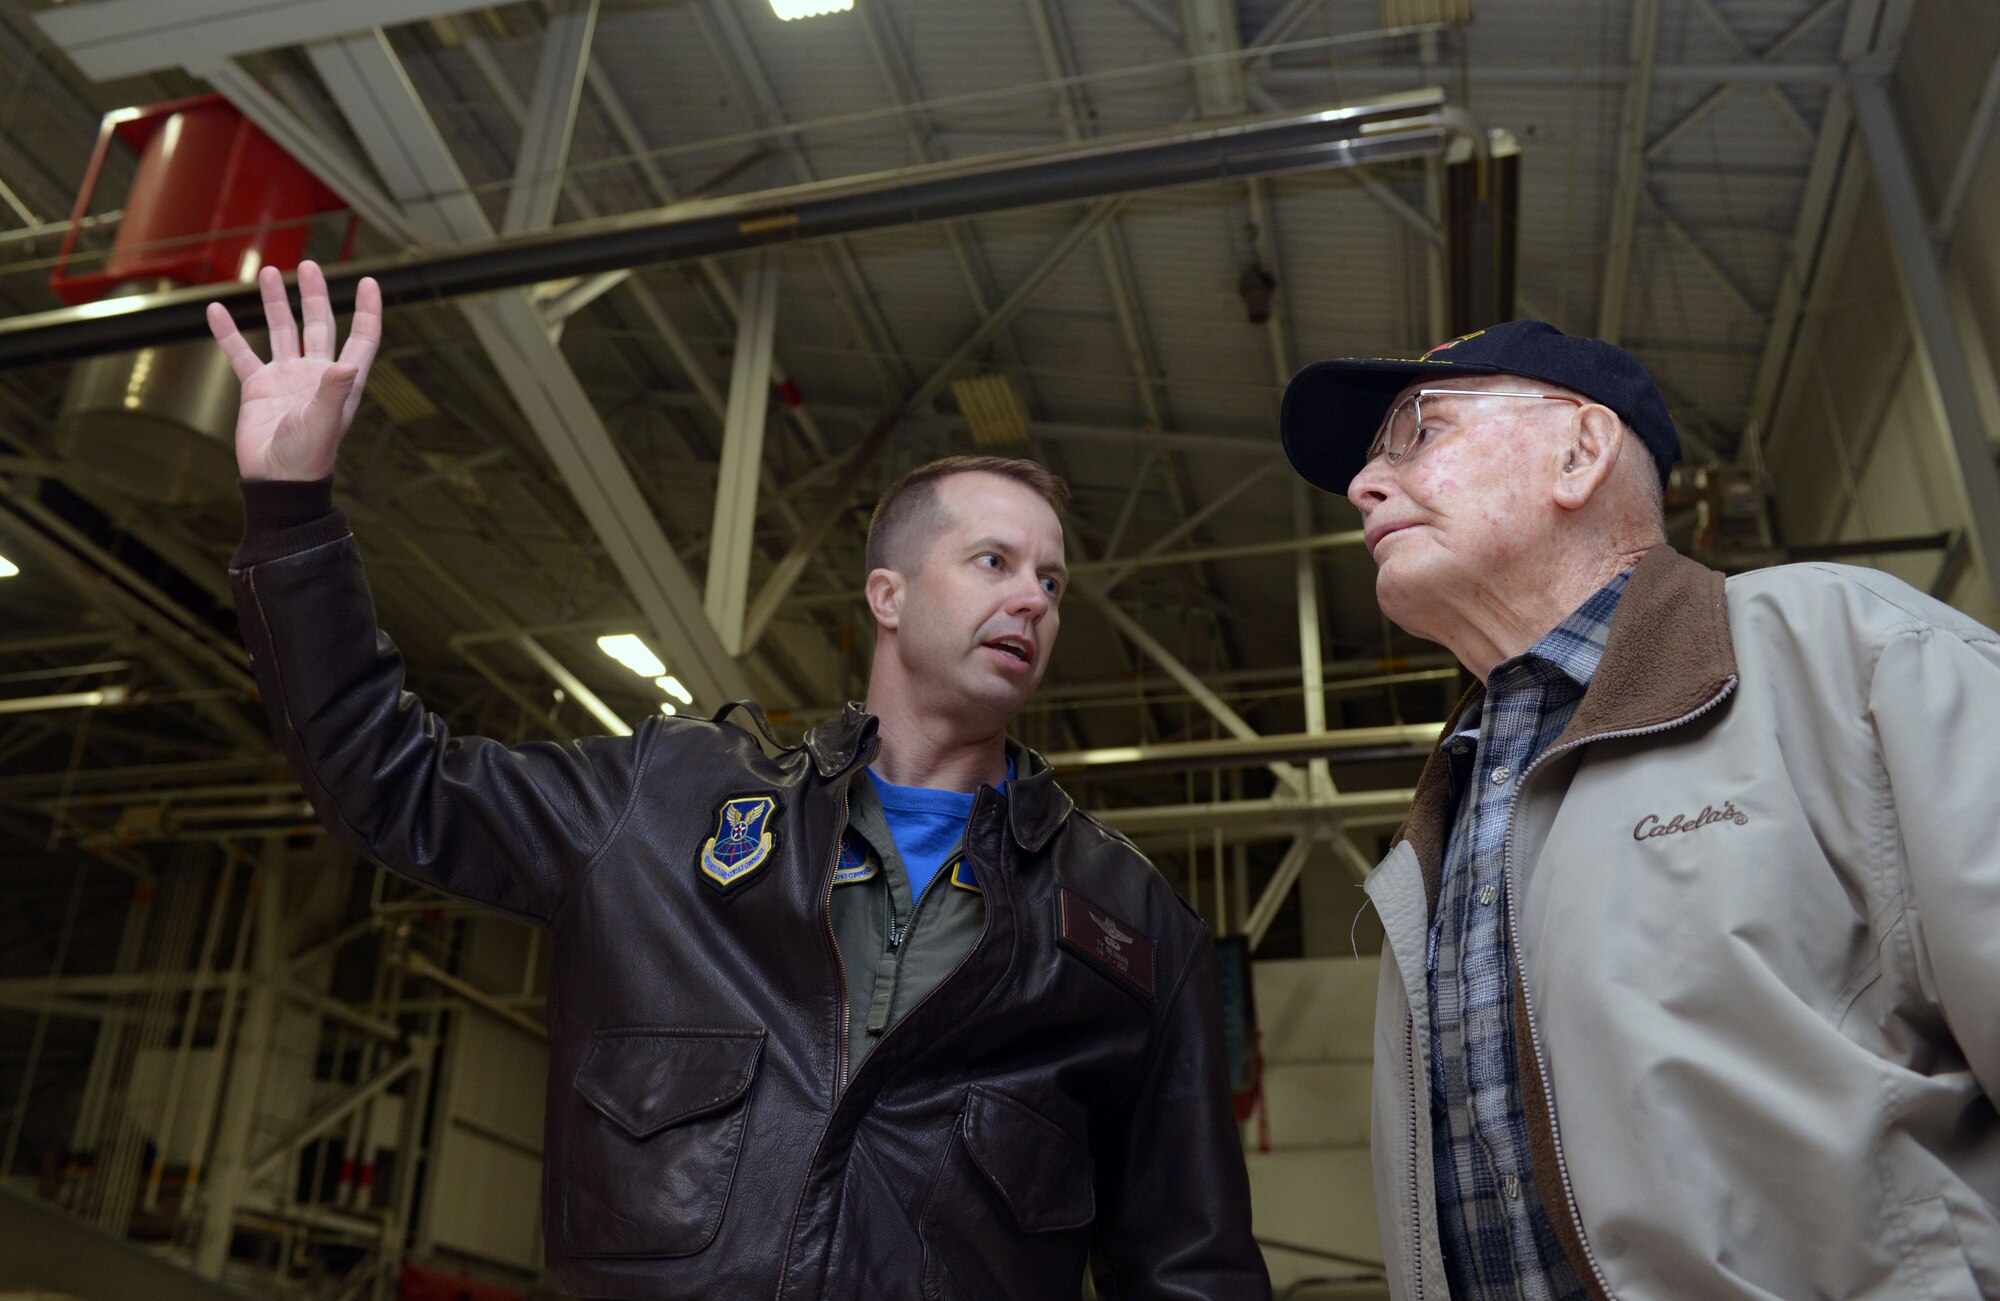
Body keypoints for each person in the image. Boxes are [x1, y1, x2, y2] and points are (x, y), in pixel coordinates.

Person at [210, 262, 1268, 1300]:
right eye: (993, 562)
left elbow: (1190, 1267)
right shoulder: (663, 805)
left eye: (1050, 579)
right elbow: (386, 777)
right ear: (887, 595)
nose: (1032, 598)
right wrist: (291, 510)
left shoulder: (1126, 927)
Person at [1280, 319, 2000, 1300]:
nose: (1364, 486)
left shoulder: (1848, 650)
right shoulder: (1443, 819)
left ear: (1578, 450)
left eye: (1416, 430)